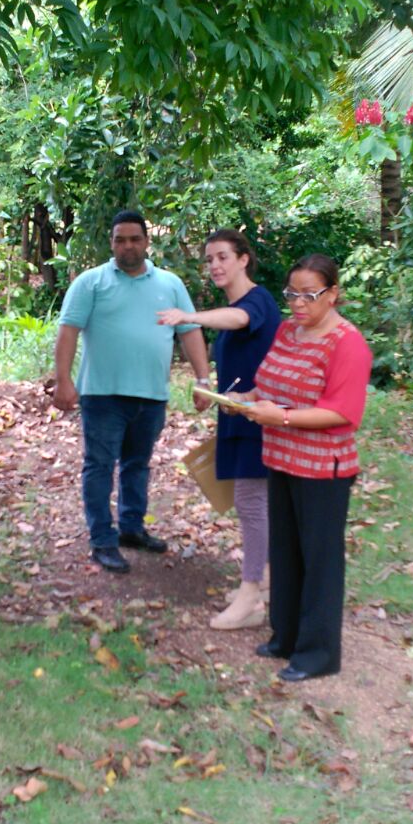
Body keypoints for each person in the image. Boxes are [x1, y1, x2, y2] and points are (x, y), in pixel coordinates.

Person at [234, 253, 371, 682]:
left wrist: (284, 418)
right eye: (291, 294)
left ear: (333, 295)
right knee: (286, 555)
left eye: (309, 296)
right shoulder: (288, 331)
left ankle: (318, 653)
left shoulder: (348, 343)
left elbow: (343, 413)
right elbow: (271, 382)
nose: (297, 304)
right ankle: (286, 636)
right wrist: (248, 399)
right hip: (282, 459)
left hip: (323, 470)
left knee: (320, 562)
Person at [52, 209, 212, 574]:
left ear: (146, 241)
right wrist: (64, 379)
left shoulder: (170, 284)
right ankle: (102, 540)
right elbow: (68, 331)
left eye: (134, 239)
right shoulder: (91, 283)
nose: (127, 246)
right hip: (102, 395)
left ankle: (131, 528)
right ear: (111, 243)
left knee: (138, 465)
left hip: (152, 395)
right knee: (99, 466)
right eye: (119, 239)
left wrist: (203, 380)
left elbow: (189, 332)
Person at [156, 229, 281, 629]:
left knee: (251, 503)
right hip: (236, 418)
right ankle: (265, 584)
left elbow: (240, 318)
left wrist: (188, 316)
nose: (215, 266)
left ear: (244, 259)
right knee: (252, 505)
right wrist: (209, 388)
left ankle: (251, 595)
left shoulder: (255, 301)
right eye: (209, 259)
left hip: (258, 420)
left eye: (223, 257)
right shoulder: (235, 308)